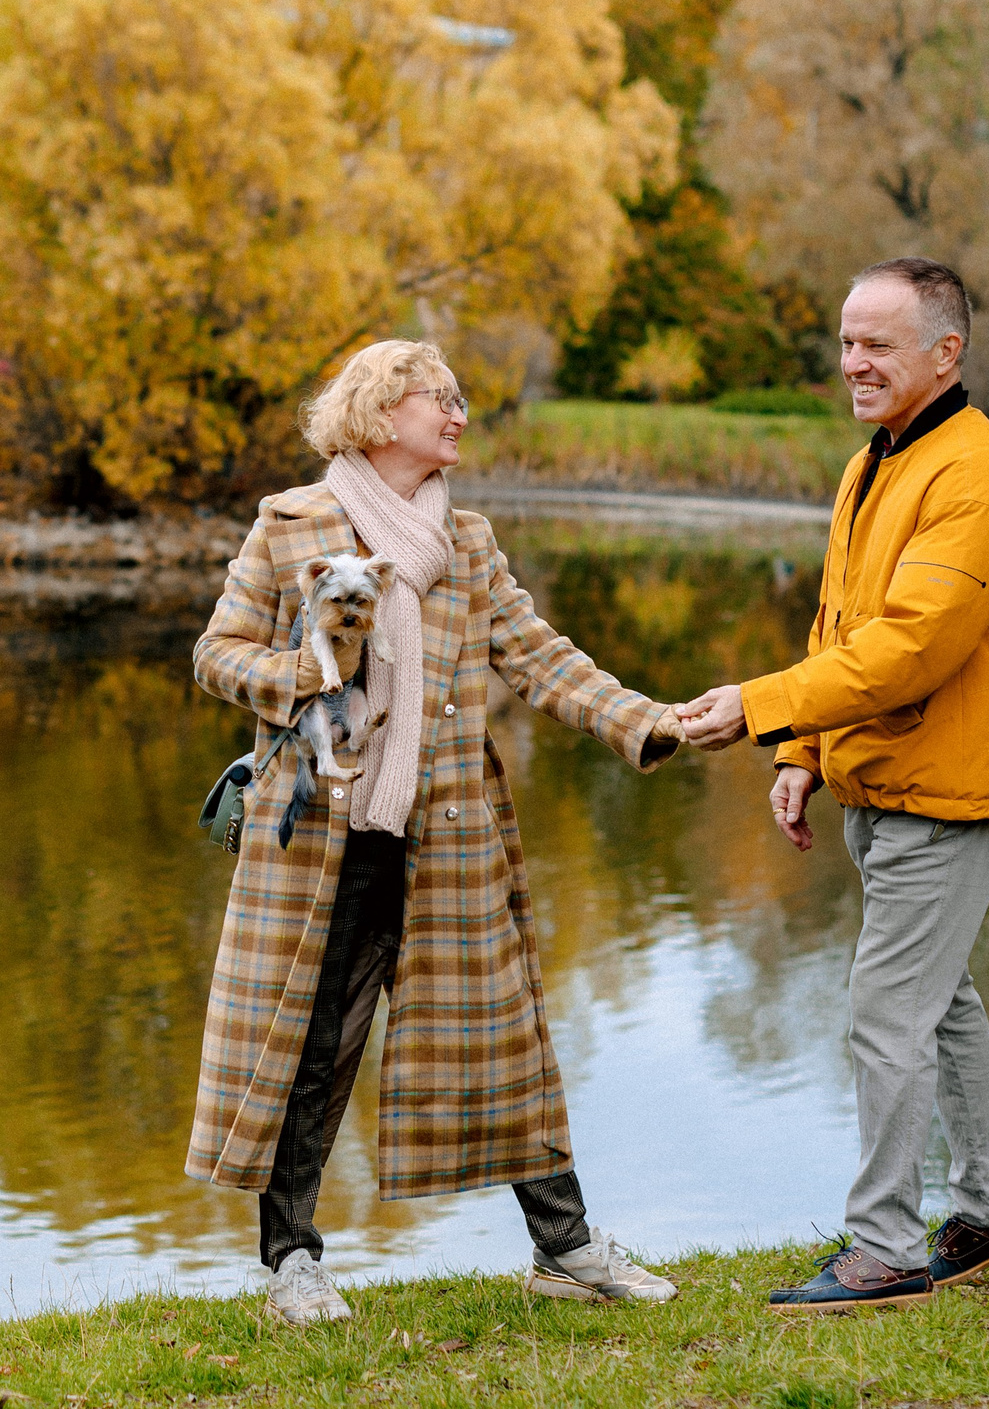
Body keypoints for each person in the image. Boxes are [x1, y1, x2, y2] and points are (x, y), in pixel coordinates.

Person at [190, 338, 687, 1328]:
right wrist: (304, 671)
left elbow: (537, 655)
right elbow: (216, 653)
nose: (458, 415)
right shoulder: (292, 526)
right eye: (439, 400)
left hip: (449, 833)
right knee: (311, 1048)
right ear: (378, 415)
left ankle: (566, 1247)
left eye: (460, 401)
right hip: (324, 841)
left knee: (503, 1033)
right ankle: (292, 1260)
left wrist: (644, 719)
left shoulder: (467, 539)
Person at [676, 258, 989, 1312]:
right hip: (883, 779)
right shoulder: (874, 461)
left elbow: (912, 651)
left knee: (885, 1011)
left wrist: (759, 705)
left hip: (948, 789)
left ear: (947, 352)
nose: (853, 361)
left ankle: (883, 1248)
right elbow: (839, 622)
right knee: (940, 998)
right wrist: (798, 752)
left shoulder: (975, 476)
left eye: (877, 343)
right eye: (846, 340)